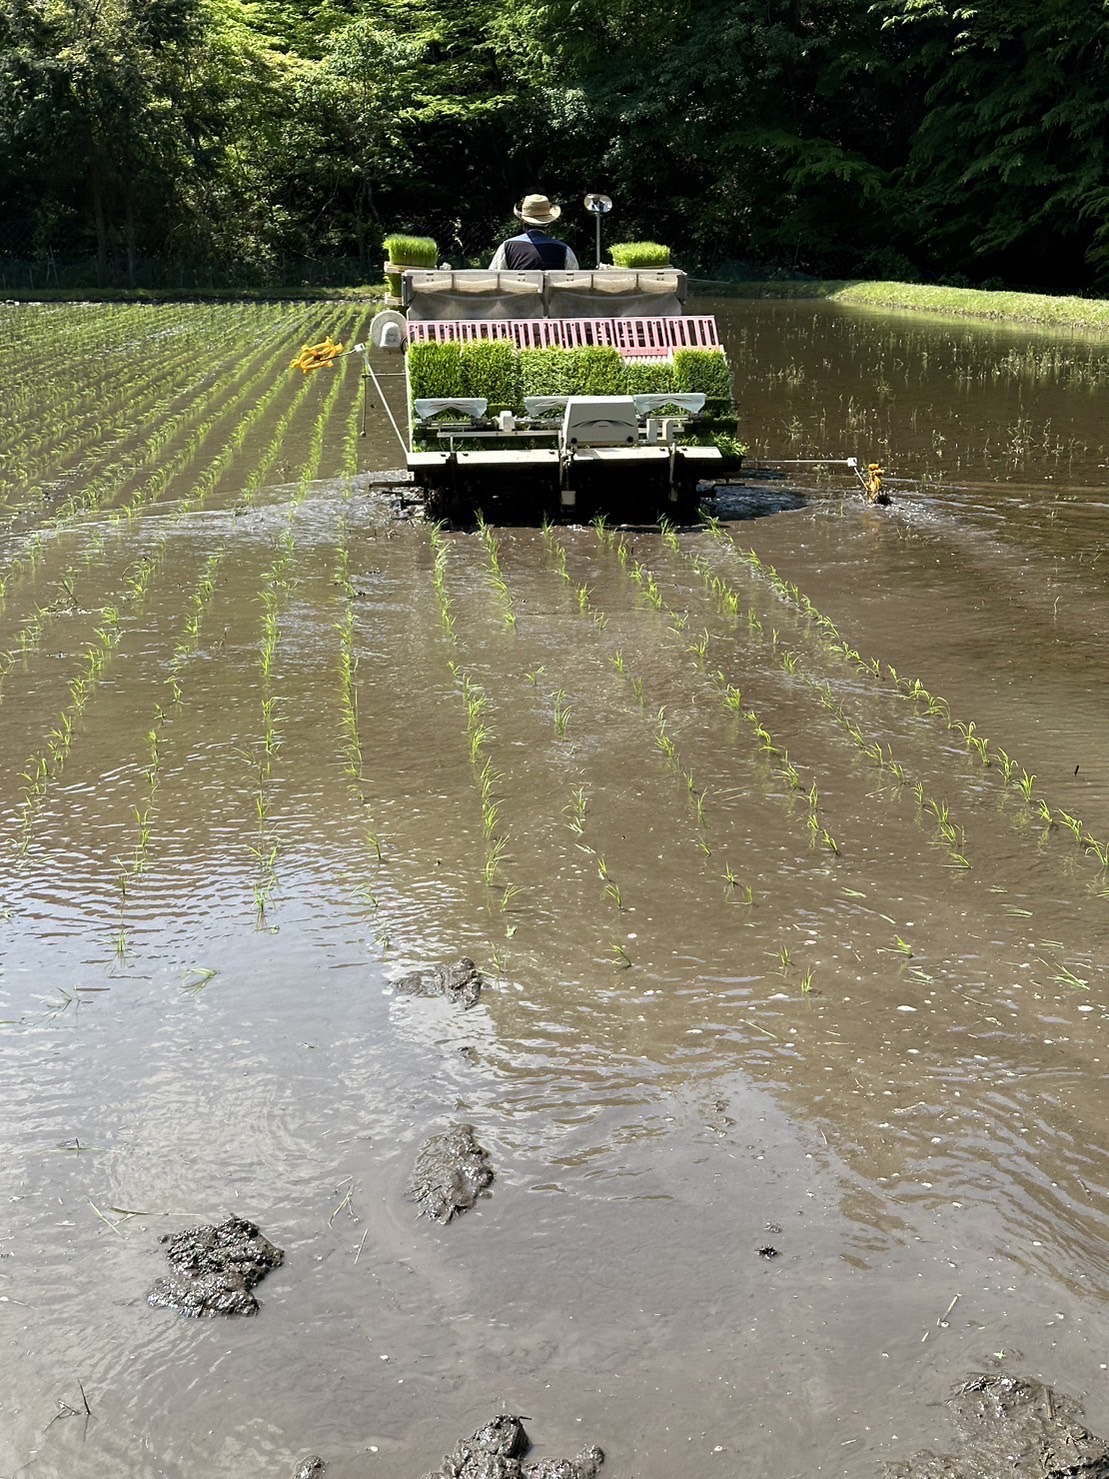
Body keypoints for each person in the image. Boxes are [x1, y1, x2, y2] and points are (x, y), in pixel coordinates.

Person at [488, 195, 580, 270]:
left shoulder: (507, 247)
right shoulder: (564, 250)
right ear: (549, 224)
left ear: (523, 222)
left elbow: (494, 279)